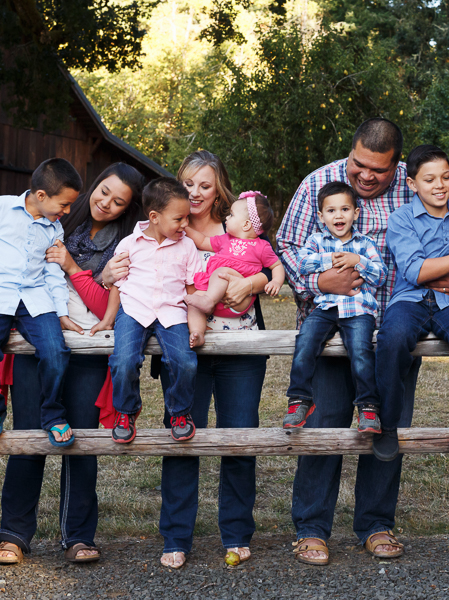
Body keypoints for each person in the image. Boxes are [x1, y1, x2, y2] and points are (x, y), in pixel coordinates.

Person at [277, 119, 449, 565]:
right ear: (350, 153)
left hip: (394, 335)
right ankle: (311, 527)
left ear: (397, 168)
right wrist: (315, 281)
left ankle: (375, 524)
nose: (366, 176)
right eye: (358, 165)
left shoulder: (417, 186)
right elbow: (286, 244)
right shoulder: (318, 184)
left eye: (378, 171)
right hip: (331, 329)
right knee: (325, 423)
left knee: (388, 425)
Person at [0, 162, 147, 564]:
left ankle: (78, 535)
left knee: (79, 440)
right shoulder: (57, 216)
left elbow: (104, 308)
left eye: (119, 202)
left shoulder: (128, 245)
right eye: (104, 192)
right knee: (28, 435)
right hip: (36, 342)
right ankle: (13, 533)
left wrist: (72, 267)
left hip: (88, 348)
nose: (107, 203)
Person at [157, 151, 273, 569]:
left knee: (239, 437)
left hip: (241, 349)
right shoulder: (168, 229)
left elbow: (273, 264)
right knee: (182, 435)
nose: (195, 193)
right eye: (188, 184)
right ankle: (175, 535)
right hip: (187, 350)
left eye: (205, 185)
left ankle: (238, 532)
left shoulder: (238, 231)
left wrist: (259, 278)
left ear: (219, 189)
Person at [374, 145, 449, 463]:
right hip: (409, 299)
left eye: (446, 176)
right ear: (413, 184)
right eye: (429, 179)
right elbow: (415, 272)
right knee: (392, 337)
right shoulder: (400, 219)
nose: (439, 185)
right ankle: (386, 424)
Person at [0, 158, 83, 450]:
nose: (67, 211)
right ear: (41, 196)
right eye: (64, 204)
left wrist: (60, 310)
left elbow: (52, 272)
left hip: (36, 299)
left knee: (56, 351)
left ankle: (52, 413)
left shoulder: (55, 229)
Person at [90, 178, 201, 443]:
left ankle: (180, 412)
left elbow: (192, 288)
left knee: (184, 362)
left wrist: (197, 324)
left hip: (173, 313)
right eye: (179, 219)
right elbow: (118, 285)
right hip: (133, 310)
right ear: (154, 217)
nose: (185, 224)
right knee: (124, 361)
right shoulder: (129, 244)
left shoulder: (187, 246)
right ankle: (126, 411)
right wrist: (108, 318)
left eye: (187, 218)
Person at [283, 181, 386, 433]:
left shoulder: (364, 244)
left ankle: (368, 407)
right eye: (331, 211)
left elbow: (379, 275)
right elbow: (303, 264)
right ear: (321, 216)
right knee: (305, 341)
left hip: (358, 310)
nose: (338, 215)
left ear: (356, 213)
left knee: (361, 351)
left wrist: (358, 260)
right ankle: (299, 400)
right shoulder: (316, 241)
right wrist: (327, 258)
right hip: (326, 307)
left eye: (344, 209)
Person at [184, 191, 285, 347]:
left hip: (238, 298)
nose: (227, 218)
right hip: (215, 295)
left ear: (246, 225)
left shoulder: (262, 246)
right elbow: (203, 241)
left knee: (221, 272)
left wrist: (277, 282)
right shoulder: (225, 240)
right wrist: (186, 228)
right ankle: (198, 333)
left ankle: (208, 301)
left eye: (231, 215)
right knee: (194, 302)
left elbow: (276, 265)